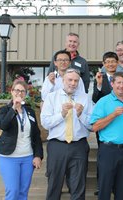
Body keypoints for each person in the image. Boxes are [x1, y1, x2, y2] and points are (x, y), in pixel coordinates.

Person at [41, 69, 93, 200]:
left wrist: (81, 115)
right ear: (63, 81)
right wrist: (62, 114)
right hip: (57, 146)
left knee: (78, 185)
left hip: (79, 146)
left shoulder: (85, 98)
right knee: (54, 184)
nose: (73, 83)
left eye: (76, 80)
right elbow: (45, 123)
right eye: (70, 80)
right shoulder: (51, 97)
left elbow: (92, 125)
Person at [90, 72, 123, 200]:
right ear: (112, 84)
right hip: (108, 150)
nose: (121, 86)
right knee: (105, 187)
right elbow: (95, 127)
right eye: (118, 83)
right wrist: (113, 115)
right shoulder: (103, 101)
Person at [0, 80, 43, 200]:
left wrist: (38, 155)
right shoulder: (4, 110)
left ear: (25, 94)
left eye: (22, 91)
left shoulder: (29, 111)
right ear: (11, 92)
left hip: (28, 157)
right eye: (16, 90)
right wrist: (14, 108)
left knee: (23, 192)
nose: (19, 93)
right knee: (13, 191)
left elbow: (36, 135)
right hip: (9, 158)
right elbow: (3, 126)